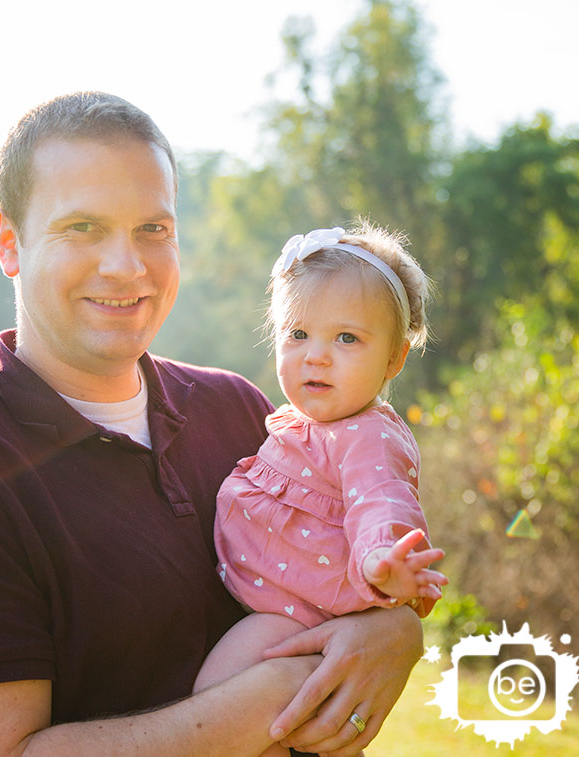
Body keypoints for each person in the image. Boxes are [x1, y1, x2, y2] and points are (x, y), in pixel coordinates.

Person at [0, 92, 424, 756]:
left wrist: (394, 633)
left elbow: (347, 572)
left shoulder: (240, 411)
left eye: (152, 230)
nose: (126, 266)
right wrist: (277, 693)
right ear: (9, 241)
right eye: (82, 227)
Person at [192, 226, 447, 753]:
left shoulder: (367, 436)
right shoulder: (300, 423)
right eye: (298, 334)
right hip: (273, 606)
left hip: (296, 622)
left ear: (395, 359)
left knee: (215, 706)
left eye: (347, 338)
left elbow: (380, 500)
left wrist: (383, 560)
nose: (317, 356)